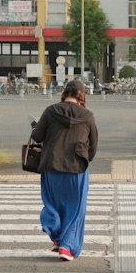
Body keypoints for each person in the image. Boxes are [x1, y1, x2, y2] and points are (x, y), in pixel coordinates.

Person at [30, 78, 98, 262]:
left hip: (51, 165)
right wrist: (86, 158)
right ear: (81, 96)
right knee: (75, 209)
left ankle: (57, 236)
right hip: (77, 168)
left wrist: (35, 125)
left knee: (52, 204)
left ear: (64, 93)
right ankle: (66, 247)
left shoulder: (51, 111)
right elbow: (93, 146)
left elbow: (37, 136)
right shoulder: (87, 115)